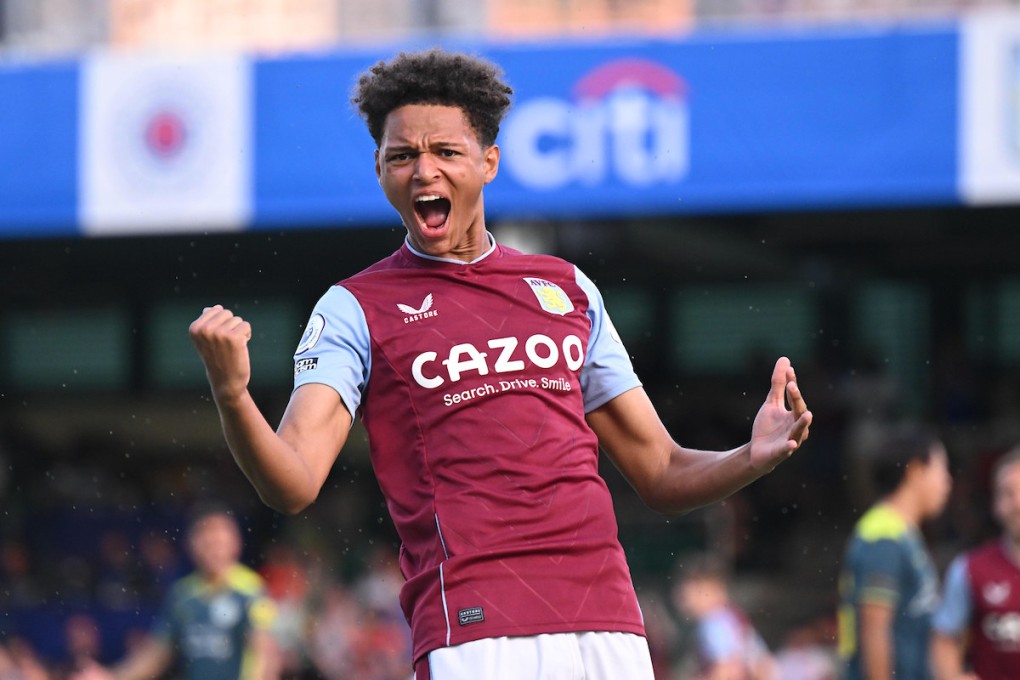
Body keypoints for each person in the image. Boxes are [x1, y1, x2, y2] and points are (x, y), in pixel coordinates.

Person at [188, 47, 812, 680]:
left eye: (445, 153)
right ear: (379, 168)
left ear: (489, 162)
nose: (423, 171)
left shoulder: (568, 289)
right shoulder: (355, 308)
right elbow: (291, 483)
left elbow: (660, 469)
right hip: (476, 629)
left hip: (608, 623)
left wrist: (749, 457)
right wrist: (233, 394)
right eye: (401, 156)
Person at [73, 503, 279, 680]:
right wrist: (112, 676)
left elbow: (267, 652)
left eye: (220, 541)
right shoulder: (182, 595)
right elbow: (158, 653)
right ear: (191, 544)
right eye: (207, 541)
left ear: (235, 543)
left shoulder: (252, 591)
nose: (214, 548)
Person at [837, 425, 953, 680]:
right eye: (942, 469)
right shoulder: (883, 537)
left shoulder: (903, 534)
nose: (947, 481)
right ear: (915, 471)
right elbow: (874, 631)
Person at [930, 446, 1020, 680]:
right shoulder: (970, 569)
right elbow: (945, 641)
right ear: (995, 504)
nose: (1018, 503)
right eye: (1008, 493)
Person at [672, 553, 778, 680]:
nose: (681, 599)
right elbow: (767, 665)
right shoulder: (733, 619)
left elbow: (727, 669)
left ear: (709, 589)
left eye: (687, 593)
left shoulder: (712, 622)